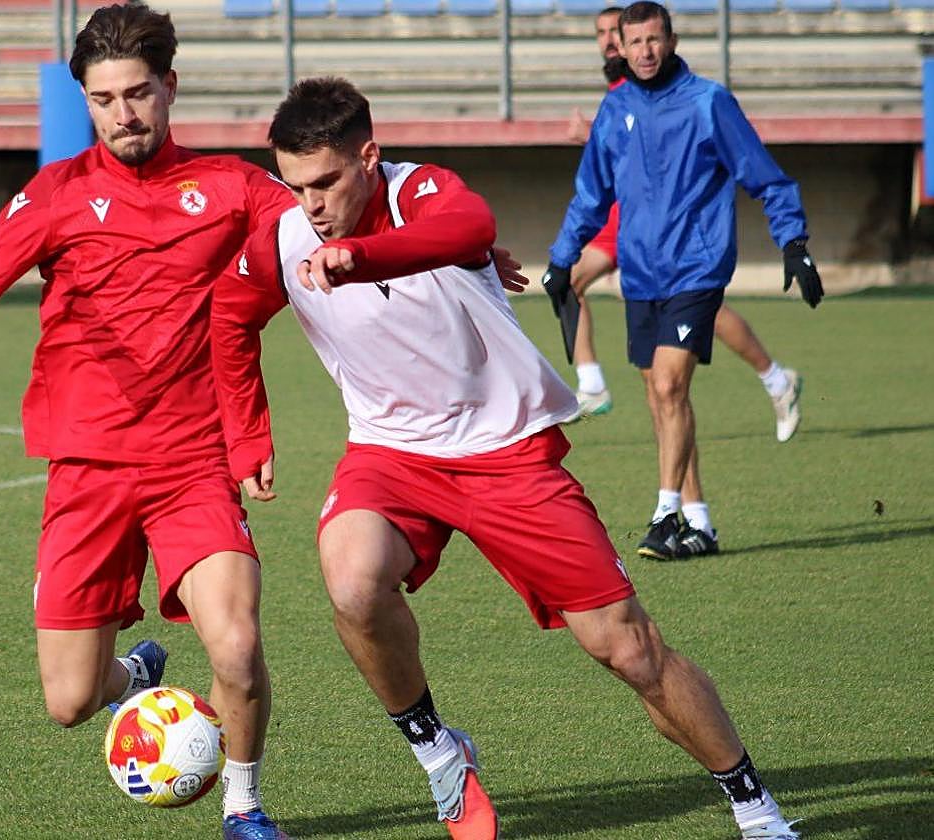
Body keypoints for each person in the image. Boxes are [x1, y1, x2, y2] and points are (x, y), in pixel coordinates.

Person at [211, 75, 802, 840]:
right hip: (390, 455)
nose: (311, 205)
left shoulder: (422, 189)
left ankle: (755, 809)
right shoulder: (288, 236)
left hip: (507, 454)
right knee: (351, 583)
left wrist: (363, 256)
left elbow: (468, 225)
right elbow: (229, 315)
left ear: (369, 157)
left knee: (628, 649)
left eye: (325, 182)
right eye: (295, 187)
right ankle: (439, 754)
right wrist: (248, 434)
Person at [0, 5, 293, 838]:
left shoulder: (232, 187)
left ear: (169, 87)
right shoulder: (57, 195)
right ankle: (132, 677)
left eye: (138, 93)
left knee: (234, 645)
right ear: (84, 101)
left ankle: (243, 805)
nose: (123, 114)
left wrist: (451, 243)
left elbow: (331, 215)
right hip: (87, 468)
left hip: (193, 462)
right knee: (69, 701)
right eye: (103, 99)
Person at [543, 1, 823, 561]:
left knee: (670, 386)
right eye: (635, 42)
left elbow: (765, 177)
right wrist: (560, 258)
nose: (645, 51)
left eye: (654, 40)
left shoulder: (708, 102)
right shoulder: (616, 107)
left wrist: (794, 243)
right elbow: (592, 194)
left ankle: (663, 514)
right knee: (662, 398)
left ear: (671, 41)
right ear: (621, 48)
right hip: (641, 273)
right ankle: (699, 523)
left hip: (697, 267)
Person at [562, 5, 805, 446]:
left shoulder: (691, 95)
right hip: (634, 226)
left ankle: (593, 384)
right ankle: (772, 380)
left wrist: (793, 241)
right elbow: (614, 157)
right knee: (664, 377)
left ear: (668, 41)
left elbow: (660, 139)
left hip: (660, 229)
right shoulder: (618, 93)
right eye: (604, 34)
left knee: (675, 355)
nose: (612, 42)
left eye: (616, 32)